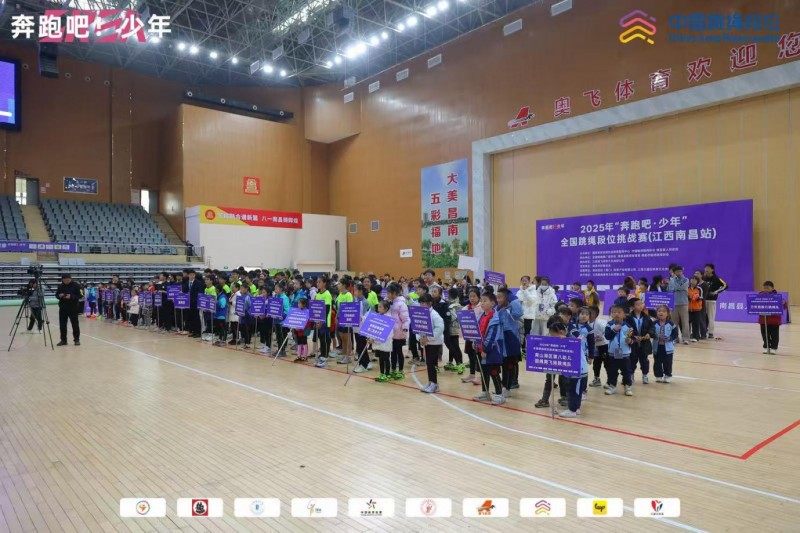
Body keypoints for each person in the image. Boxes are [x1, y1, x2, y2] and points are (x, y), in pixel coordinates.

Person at [473, 292, 505, 405]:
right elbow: (477, 331)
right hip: (481, 349)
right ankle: (485, 392)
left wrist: (485, 349)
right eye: (481, 300)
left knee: (493, 372)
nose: (482, 303)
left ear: (492, 303)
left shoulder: (495, 318)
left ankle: (499, 395)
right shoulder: (481, 315)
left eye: (485, 300)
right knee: (484, 372)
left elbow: (492, 336)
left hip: (492, 350)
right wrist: (475, 342)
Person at [555, 319, 589, 418]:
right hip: (576, 370)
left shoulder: (570, 339)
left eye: (553, 335)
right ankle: (576, 408)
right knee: (575, 390)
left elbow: (577, 344)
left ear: (561, 332)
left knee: (574, 391)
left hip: (578, 370)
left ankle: (572, 410)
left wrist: (566, 340)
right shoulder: (569, 338)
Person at [417, 294, 445, 393]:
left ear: (430, 303)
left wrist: (428, 338)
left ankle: (435, 384)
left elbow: (440, 328)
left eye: (424, 303)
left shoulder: (434, 314)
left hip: (434, 343)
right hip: (426, 342)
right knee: (428, 363)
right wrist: (420, 338)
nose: (422, 305)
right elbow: (418, 327)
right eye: (421, 303)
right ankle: (431, 382)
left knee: (432, 363)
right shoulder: (421, 314)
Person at [604, 305, 633, 396]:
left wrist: (630, 341)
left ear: (624, 314)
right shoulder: (609, 325)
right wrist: (614, 330)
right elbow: (607, 336)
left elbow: (632, 338)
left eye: (619, 312)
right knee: (612, 370)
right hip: (613, 352)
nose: (616, 314)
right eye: (613, 312)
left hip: (624, 352)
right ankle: (612, 387)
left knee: (626, 371)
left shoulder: (628, 326)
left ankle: (627, 387)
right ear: (610, 314)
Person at [625, 298, 653, 385]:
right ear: (632, 307)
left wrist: (649, 334)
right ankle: (631, 375)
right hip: (633, 343)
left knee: (644, 360)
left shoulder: (646, 317)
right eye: (638, 304)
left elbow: (652, 327)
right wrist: (633, 336)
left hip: (644, 343)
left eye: (641, 304)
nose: (641, 306)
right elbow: (626, 329)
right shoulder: (628, 318)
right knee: (632, 360)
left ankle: (645, 375)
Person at [649, 305, 679, 382]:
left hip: (668, 348)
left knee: (668, 362)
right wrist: (655, 335)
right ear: (656, 313)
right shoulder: (654, 323)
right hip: (657, 347)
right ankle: (658, 375)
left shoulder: (671, 324)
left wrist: (670, 338)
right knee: (657, 362)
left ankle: (667, 375)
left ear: (667, 314)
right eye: (659, 311)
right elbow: (651, 332)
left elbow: (675, 334)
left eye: (663, 311)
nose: (661, 313)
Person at [386, 283, 410, 379]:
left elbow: (406, 319)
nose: (387, 295)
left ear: (394, 293)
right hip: (391, 333)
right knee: (392, 352)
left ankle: (400, 370)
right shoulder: (389, 303)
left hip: (399, 333)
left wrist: (404, 330)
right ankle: (393, 370)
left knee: (399, 352)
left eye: (389, 293)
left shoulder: (401, 304)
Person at [461, 287, 483, 386]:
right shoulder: (466, 307)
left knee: (478, 356)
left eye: (474, 296)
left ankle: (481, 376)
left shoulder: (481, 307)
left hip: (478, 336)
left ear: (479, 297)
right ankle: (472, 374)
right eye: (470, 296)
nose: (472, 298)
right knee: (470, 354)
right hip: (469, 335)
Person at [758, 281, 786, 354]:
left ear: (772, 288)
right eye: (764, 288)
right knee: (765, 335)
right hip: (763, 319)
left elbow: (784, 307)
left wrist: (783, 303)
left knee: (774, 335)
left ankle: (774, 348)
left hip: (774, 320)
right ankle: (766, 347)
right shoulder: (760, 295)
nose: (765, 289)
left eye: (767, 288)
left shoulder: (778, 296)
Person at [702, 264, 728, 339]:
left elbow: (725, 285)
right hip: (703, 300)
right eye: (705, 268)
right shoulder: (703, 278)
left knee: (711, 317)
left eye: (708, 268)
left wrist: (716, 292)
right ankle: (704, 331)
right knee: (703, 317)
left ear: (712, 270)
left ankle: (711, 332)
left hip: (711, 300)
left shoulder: (716, 278)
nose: (706, 269)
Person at [55, 273, 82, 346]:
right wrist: (59, 296)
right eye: (64, 280)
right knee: (62, 324)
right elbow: (56, 295)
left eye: (67, 280)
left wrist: (71, 296)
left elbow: (80, 295)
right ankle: (63, 340)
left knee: (75, 324)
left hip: (73, 307)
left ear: (70, 279)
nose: (66, 281)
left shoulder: (76, 285)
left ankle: (76, 339)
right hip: (63, 307)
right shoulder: (60, 286)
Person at [313, 276, 334, 368]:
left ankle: (324, 358)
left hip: (325, 322)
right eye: (317, 282)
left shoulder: (327, 294)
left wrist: (321, 322)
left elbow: (327, 309)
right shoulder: (317, 295)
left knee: (325, 340)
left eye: (319, 282)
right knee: (321, 340)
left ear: (324, 283)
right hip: (318, 322)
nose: (317, 284)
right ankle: (321, 356)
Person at [372, 300, 395, 382]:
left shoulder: (389, 319)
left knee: (386, 358)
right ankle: (382, 373)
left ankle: (387, 374)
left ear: (386, 308)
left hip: (385, 343)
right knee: (381, 359)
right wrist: (371, 337)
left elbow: (387, 333)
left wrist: (377, 339)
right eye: (378, 307)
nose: (378, 308)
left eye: (380, 307)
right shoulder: (377, 317)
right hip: (378, 343)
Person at [443, 287, 464, 373]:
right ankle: (451, 362)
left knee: (454, 346)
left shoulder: (454, 305)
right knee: (452, 345)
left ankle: (460, 363)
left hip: (453, 328)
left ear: (449, 295)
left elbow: (453, 317)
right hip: (452, 328)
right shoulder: (454, 304)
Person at [668, 265, 690, 344]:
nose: (679, 273)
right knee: (674, 322)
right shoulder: (672, 280)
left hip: (683, 303)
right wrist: (676, 287)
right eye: (677, 271)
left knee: (685, 321)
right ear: (674, 272)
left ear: (682, 271)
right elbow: (669, 289)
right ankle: (675, 338)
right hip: (674, 303)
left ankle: (685, 338)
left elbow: (682, 287)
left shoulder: (686, 279)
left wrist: (675, 287)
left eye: (680, 271)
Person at [588, 306, 608, 388]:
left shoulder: (600, 323)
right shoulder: (587, 324)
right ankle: (597, 379)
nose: (587, 315)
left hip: (604, 346)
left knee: (607, 364)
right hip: (595, 347)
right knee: (596, 364)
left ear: (595, 314)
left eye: (589, 313)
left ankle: (610, 381)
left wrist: (601, 337)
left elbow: (607, 332)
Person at [688, 276, 704, 342]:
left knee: (696, 324)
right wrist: (689, 297)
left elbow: (701, 297)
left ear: (697, 281)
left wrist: (697, 297)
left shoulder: (699, 289)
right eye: (692, 280)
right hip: (687, 309)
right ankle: (687, 337)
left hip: (696, 309)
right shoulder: (687, 288)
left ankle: (695, 337)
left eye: (695, 280)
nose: (693, 281)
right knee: (687, 324)